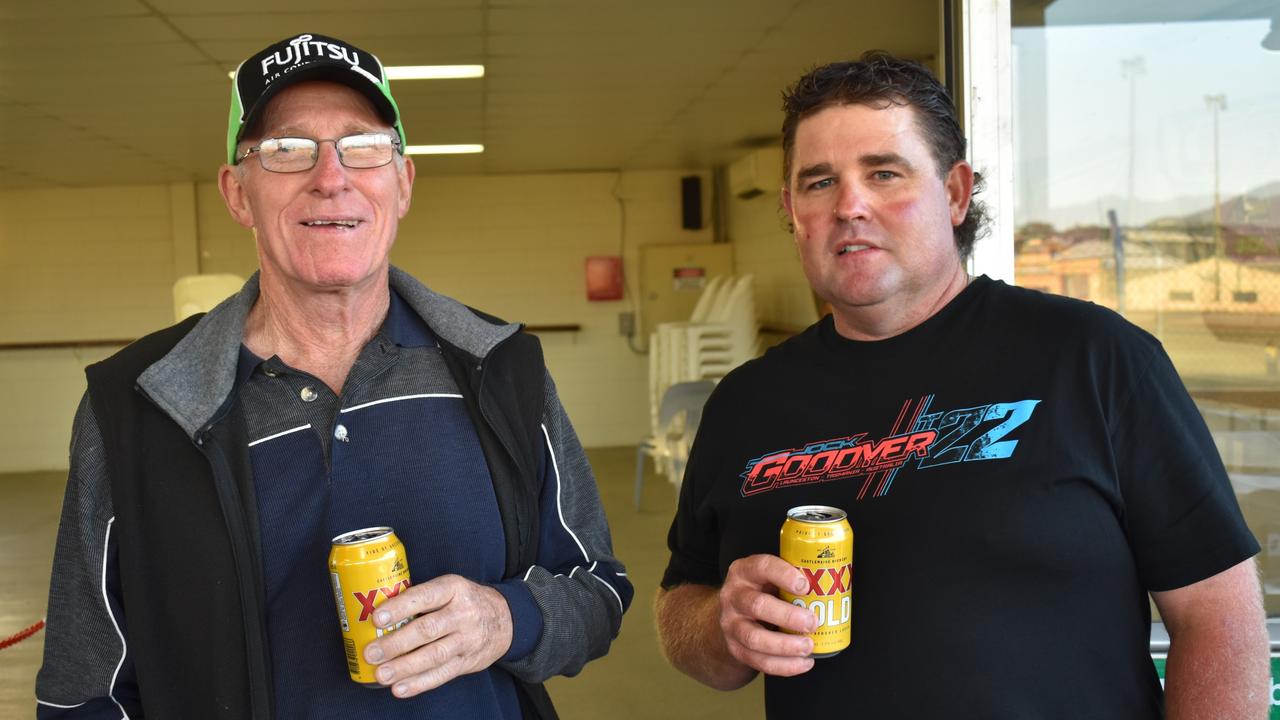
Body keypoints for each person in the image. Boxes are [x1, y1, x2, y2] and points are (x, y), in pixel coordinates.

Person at [655, 51, 1269, 718]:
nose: (849, 205)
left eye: (884, 173)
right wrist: (722, 625)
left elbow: (1219, 618)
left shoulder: (1094, 359)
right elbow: (681, 607)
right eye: (819, 182)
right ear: (791, 211)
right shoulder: (746, 403)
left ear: (953, 193)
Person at [35, 33, 632, 719]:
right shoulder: (139, 408)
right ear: (237, 193)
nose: (330, 177)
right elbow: (83, 694)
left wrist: (507, 617)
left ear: (402, 183)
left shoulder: (500, 369)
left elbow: (599, 590)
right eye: (287, 150)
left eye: (363, 145)